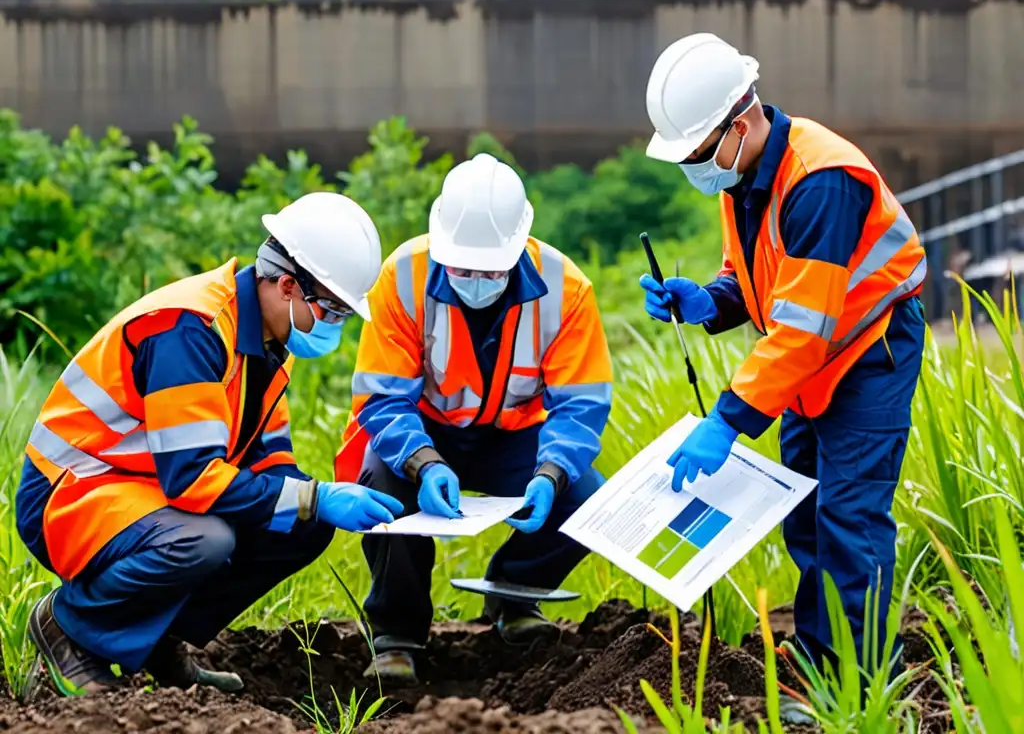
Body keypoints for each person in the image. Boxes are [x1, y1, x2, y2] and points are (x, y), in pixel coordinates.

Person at [16, 192, 404, 697]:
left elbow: (271, 463)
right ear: (287, 285)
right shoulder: (190, 330)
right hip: (72, 492)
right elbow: (194, 479)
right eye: (330, 310)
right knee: (205, 540)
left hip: (146, 492)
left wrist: (320, 498)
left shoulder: (267, 349)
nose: (333, 327)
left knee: (305, 528)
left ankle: (158, 638)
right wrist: (317, 497)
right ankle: (68, 626)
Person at [639, 34, 927, 689]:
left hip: (867, 351)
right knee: (806, 510)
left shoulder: (821, 181)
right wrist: (707, 302)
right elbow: (757, 278)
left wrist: (727, 420)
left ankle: (864, 675)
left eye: (695, 153)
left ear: (737, 125)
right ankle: (824, 652)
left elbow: (802, 330)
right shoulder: (742, 174)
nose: (692, 168)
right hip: (808, 363)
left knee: (849, 516)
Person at [334, 153, 613, 684]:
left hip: (517, 438)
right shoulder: (402, 277)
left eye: (489, 270)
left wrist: (550, 473)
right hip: (424, 433)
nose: (475, 279)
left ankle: (514, 595)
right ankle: (397, 634)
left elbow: (580, 405)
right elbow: (382, 398)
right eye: (462, 268)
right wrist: (423, 463)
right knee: (381, 482)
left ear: (518, 249)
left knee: (588, 500)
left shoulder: (566, 288)